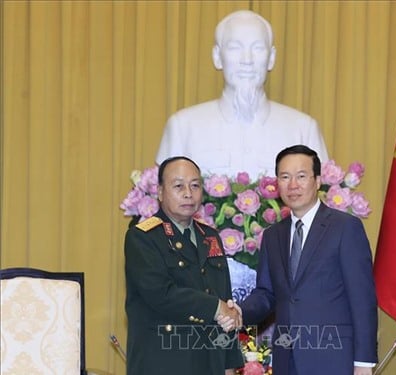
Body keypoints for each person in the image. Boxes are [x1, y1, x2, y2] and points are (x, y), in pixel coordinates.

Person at [222, 145, 378, 374]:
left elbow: (362, 299)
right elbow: (267, 294)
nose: (293, 185)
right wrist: (240, 312)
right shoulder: (273, 235)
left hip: (334, 358)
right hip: (287, 359)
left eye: (301, 176)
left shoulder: (345, 228)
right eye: (285, 177)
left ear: (317, 181)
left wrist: (363, 363)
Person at [155, 10, 329, 180]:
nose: (247, 60)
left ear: (271, 58)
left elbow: (321, 197)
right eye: (235, 48)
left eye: (258, 48)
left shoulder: (303, 129)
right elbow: (166, 197)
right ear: (217, 56)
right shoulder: (182, 127)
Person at [124, 156, 244, 375]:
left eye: (195, 185)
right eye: (178, 186)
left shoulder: (210, 236)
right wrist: (215, 308)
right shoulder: (142, 238)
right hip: (163, 363)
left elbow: (225, 300)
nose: (188, 193)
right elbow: (161, 293)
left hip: (210, 363)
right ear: (160, 192)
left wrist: (229, 364)